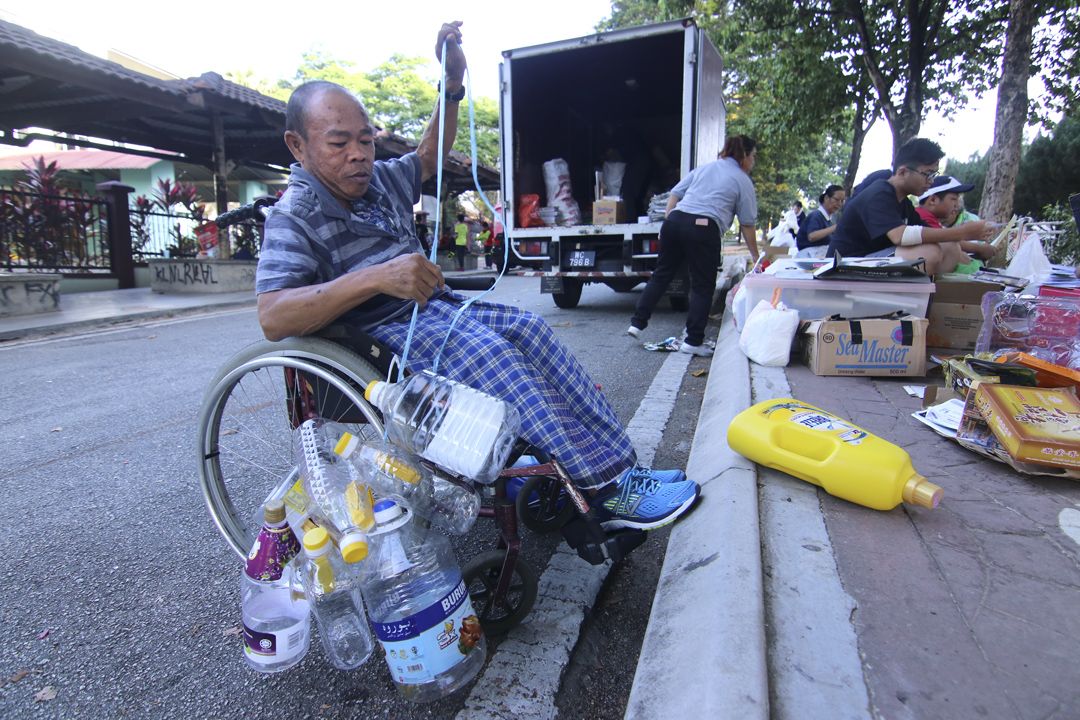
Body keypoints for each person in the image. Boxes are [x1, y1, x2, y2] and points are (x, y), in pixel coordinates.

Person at [254, 21, 699, 533]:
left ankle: (622, 470)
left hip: (434, 306)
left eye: (364, 140)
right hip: (383, 335)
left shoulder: (376, 181)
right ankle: (600, 491)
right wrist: (377, 277)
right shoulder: (296, 215)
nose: (358, 154)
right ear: (297, 145)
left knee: (531, 330)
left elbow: (427, 156)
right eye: (339, 144)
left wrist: (452, 84)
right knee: (494, 357)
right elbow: (273, 314)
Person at [626, 135, 760, 357]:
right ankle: (693, 340)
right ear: (744, 155)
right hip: (703, 227)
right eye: (753, 156)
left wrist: (668, 220)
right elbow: (747, 224)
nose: (753, 162)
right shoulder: (742, 179)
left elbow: (675, 194)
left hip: (675, 221)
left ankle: (637, 323)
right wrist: (756, 257)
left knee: (661, 275)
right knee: (702, 285)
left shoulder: (705, 168)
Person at [827, 138, 995, 275]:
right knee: (928, 254)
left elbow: (936, 235)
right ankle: (901, 302)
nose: (931, 181)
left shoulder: (904, 203)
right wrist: (965, 232)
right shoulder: (878, 193)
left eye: (934, 175)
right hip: (844, 264)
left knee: (950, 247)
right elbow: (899, 236)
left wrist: (977, 247)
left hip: (870, 261)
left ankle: (933, 299)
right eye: (927, 174)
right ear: (902, 172)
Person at [795, 184, 846, 257]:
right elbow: (812, 236)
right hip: (809, 256)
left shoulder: (829, 220)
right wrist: (834, 228)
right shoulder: (816, 215)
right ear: (826, 198)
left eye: (842, 201)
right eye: (837, 200)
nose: (839, 204)